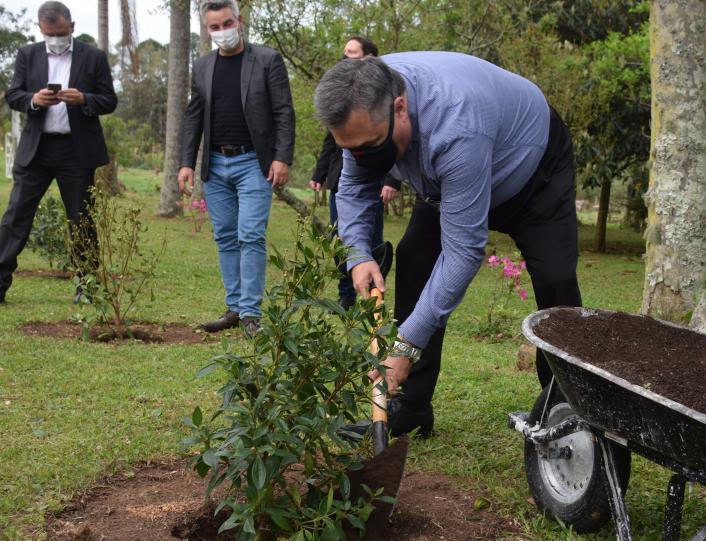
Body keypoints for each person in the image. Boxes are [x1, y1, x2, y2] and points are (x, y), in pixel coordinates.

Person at [314, 53, 581, 437]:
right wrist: (357, 253)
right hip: (445, 179)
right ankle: (412, 406)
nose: (363, 157)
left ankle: (568, 409)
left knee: (556, 280)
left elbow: (463, 252)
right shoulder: (360, 104)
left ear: (399, 108)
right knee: (415, 260)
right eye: (351, 148)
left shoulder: (456, 125)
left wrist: (405, 345)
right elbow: (354, 185)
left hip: (532, 170)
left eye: (371, 145)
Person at [177, 0, 295, 337]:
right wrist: (186, 162)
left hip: (253, 163)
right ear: (207, 29)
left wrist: (282, 157)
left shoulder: (267, 60)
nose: (222, 31)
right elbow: (194, 116)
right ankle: (234, 308)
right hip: (215, 164)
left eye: (226, 24)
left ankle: (251, 314)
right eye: (214, 27)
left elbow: (284, 111)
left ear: (239, 21)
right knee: (226, 236)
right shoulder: (202, 66)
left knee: (251, 235)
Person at [0, 1, 116, 305]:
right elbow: (13, 95)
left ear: (72, 27)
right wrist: (34, 99)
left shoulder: (93, 57)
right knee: (15, 218)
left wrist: (84, 98)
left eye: (61, 33)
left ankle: (86, 289)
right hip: (36, 151)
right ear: (41, 30)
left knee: (81, 220)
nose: (55, 38)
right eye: (49, 34)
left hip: (76, 152)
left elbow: (109, 100)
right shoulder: (27, 54)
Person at [309, 36, 399, 310]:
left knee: (372, 238)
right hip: (343, 179)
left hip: (373, 182)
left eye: (352, 54)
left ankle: (375, 295)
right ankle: (347, 293)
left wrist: (391, 180)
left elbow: (395, 146)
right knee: (344, 237)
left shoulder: (384, 95)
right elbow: (329, 143)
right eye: (344, 54)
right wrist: (319, 174)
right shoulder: (339, 98)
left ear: (369, 58)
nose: (346, 59)